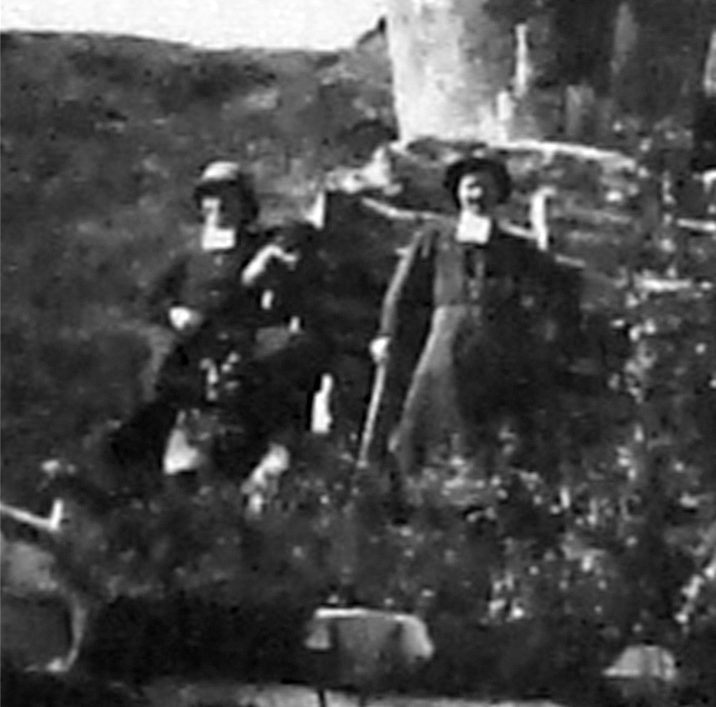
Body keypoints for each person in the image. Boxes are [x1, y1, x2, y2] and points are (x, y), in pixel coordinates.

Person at [366, 149, 582, 479]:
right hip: (447, 336)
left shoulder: (514, 247)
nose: (477, 195)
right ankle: (424, 480)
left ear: (497, 195)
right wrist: (387, 333)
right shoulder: (434, 238)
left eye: (485, 188)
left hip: (498, 339)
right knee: (435, 410)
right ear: (458, 193)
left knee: (495, 420)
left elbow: (553, 286)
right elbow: (404, 292)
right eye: (470, 187)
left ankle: (490, 479)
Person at [105, 160, 321, 487]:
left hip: (242, 355)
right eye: (211, 197)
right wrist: (174, 313)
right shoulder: (190, 257)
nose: (218, 205)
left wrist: (267, 257)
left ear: (245, 205)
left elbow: (301, 230)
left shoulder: (256, 244)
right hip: (191, 358)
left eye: (228, 197)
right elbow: (149, 300)